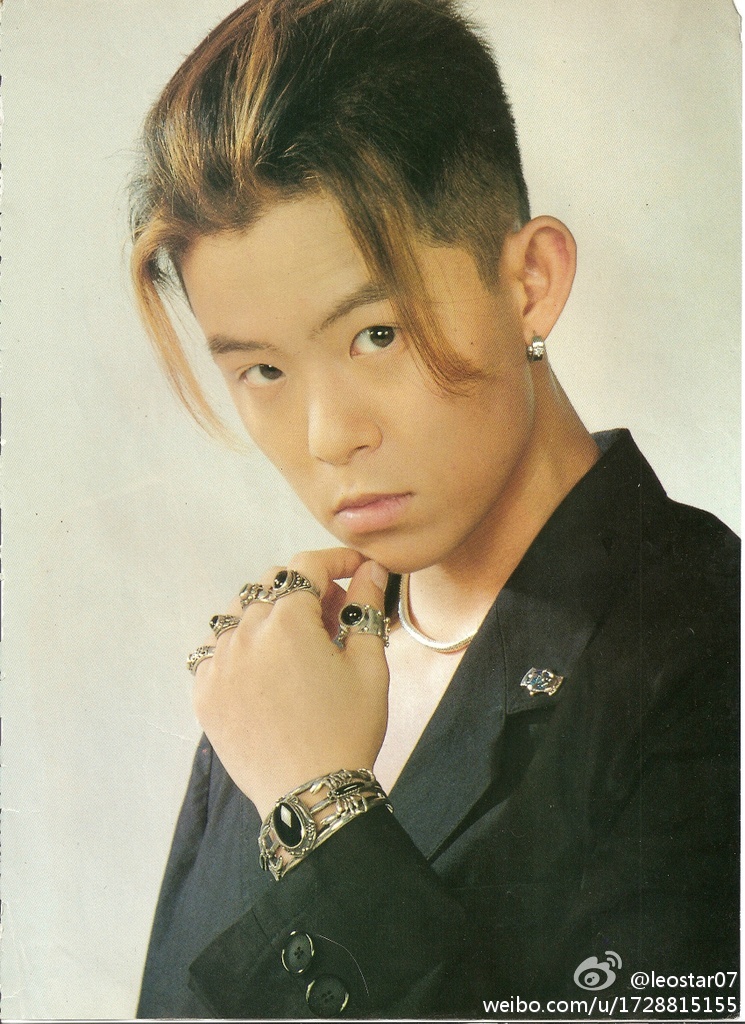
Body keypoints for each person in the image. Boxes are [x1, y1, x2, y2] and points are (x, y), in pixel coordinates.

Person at [130, 0, 739, 1018]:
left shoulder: (711, 646)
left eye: (375, 334)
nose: (328, 435)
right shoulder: (281, 670)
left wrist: (323, 810)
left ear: (530, 280)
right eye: (263, 369)